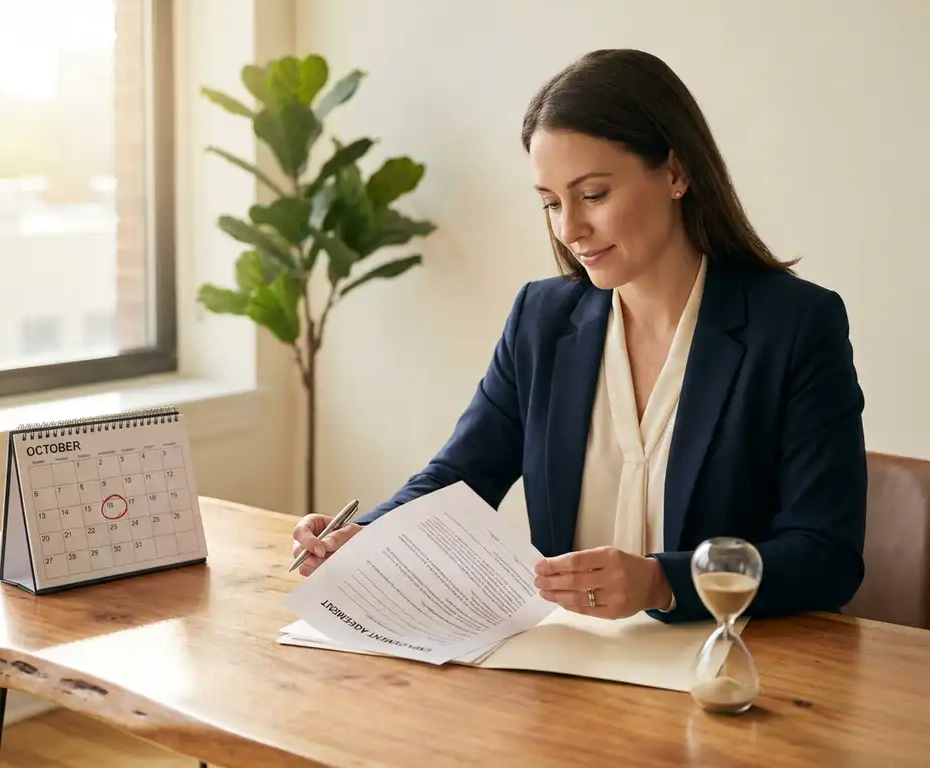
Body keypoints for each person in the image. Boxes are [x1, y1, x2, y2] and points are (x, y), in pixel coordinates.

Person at [290, 48, 867, 624]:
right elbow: (458, 479)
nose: (570, 229)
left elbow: (827, 555)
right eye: (550, 203)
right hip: (567, 671)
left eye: (593, 195)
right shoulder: (541, 320)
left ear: (675, 172)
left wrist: (663, 581)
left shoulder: (795, 326)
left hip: (728, 666)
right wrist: (368, 535)